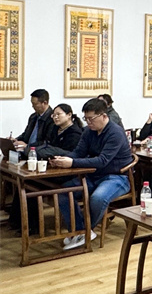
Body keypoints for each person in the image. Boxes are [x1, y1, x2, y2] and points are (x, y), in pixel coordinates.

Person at [52, 98, 133, 250]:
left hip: (117, 177)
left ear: (104, 116)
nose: (88, 122)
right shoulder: (88, 131)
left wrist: (72, 163)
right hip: (93, 175)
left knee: (98, 198)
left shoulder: (115, 133)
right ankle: (80, 231)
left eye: (91, 119)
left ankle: (84, 231)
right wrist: (64, 159)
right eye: (86, 118)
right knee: (63, 192)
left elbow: (102, 161)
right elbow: (79, 152)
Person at [9, 105, 84, 235]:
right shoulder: (55, 129)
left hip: (66, 173)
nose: (55, 117)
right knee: (24, 182)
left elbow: (67, 153)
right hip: (51, 167)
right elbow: (46, 145)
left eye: (58, 114)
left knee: (31, 184)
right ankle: (16, 221)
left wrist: (48, 152)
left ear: (69, 115)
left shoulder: (75, 133)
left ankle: (32, 227)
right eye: (54, 115)